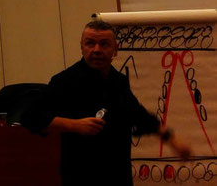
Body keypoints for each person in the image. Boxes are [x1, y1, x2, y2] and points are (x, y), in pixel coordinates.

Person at [25, 20, 191, 186]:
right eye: (90, 43)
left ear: (115, 49)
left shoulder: (118, 82)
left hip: (117, 174)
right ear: (82, 47)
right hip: (81, 175)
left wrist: (172, 140)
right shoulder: (65, 81)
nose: (97, 50)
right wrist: (74, 125)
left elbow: (139, 116)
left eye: (104, 44)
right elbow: (31, 117)